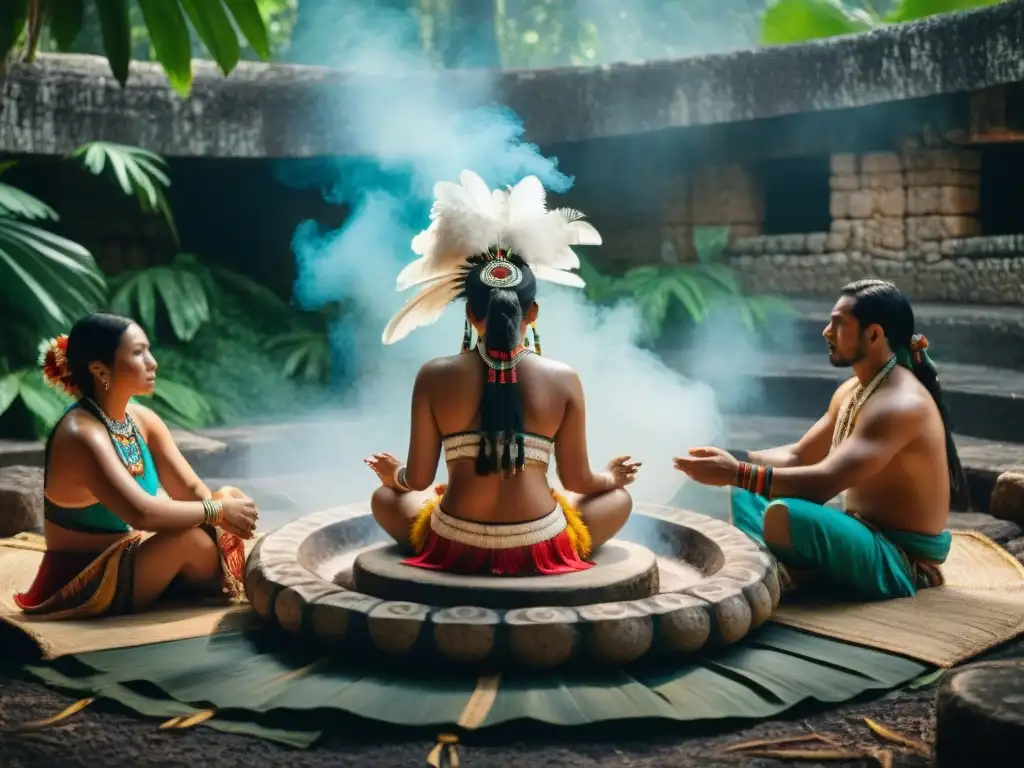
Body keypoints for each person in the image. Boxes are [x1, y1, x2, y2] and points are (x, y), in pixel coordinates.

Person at [365, 170, 640, 575]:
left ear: (470, 312)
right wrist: (611, 478)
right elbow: (580, 482)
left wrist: (395, 477)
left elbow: (420, 480)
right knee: (618, 501)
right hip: (538, 543)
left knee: (384, 499)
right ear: (532, 312)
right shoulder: (564, 378)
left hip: (455, 542)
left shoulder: (433, 376)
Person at [673, 279, 970, 601]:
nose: (826, 332)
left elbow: (824, 483)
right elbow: (801, 456)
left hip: (897, 558)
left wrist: (735, 472)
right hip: (858, 531)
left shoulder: (899, 404)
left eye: (839, 324)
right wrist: (734, 458)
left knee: (784, 512)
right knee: (748, 492)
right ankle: (776, 568)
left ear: (874, 335)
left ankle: (773, 569)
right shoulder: (855, 389)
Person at [13, 313, 260, 619]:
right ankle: (225, 583)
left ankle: (215, 573)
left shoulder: (141, 420)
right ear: (99, 370)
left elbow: (191, 490)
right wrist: (218, 515)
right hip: (86, 576)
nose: (152, 363)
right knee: (192, 538)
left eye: (148, 350)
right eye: (138, 353)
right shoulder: (81, 435)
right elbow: (141, 513)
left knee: (225, 496)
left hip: (132, 554)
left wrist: (223, 513)